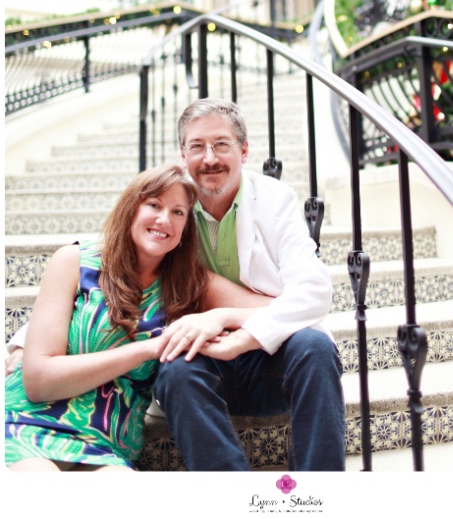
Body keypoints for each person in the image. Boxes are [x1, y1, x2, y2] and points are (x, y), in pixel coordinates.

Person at [5, 164, 271, 471]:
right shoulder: (76, 262)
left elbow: (277, 308)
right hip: (30, 424)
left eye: (178, 212)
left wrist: (219, 316)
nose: (164, 219)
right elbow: (39, 381)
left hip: (108, 444)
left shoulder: (190, 284)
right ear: (131, 209)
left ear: (186, 229)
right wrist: (149, 348)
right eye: (154, 205)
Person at [153, 98, 346, 471]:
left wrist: (235, 327)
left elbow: (315, 289)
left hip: (271, 365)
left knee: (315, 346)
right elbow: (109, 267)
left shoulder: (275, 199)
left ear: (243, 150)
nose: (209, 158)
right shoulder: (169, 205)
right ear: (183, 154)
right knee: (174, 367)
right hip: (201, 372)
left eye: (221, 144)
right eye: (197, 146)